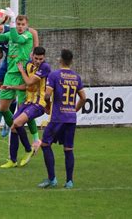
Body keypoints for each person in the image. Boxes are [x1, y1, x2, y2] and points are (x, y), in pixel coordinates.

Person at [0, 11, 41, 164]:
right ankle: (15, 127)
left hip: (22, 74)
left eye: (22, 24)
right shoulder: (11, 34)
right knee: (4, 108)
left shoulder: (27, 36)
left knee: (23, 110)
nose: (19, 26)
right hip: (10, 74)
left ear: (27, 26)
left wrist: (10, 23)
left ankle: (29, 142)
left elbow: (17, 38)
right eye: (17, 24)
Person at [38, 49, 86, 189]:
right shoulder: (76, 77)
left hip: (57, 117)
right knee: (68, 149)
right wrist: (74, 109)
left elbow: (47, 95)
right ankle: (69, 181)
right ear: (71, 61)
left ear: (60, 60)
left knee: (45, 144)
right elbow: (84, 97)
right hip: (70, 118)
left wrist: (47, 106)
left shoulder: (54, 75)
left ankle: (52, 179)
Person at [0, 47, 51, 168]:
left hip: (39, 104)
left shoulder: (45, 67)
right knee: (13, 127)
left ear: (44, 58)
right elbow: (27, 86)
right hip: (28, 102)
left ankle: (28, 149)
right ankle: (12, 160)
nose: (38, 61)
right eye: (36, 58)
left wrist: (21, 70)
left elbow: (29, 82)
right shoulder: (28, 65)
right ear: (32, 56)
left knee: (17, 123)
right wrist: (12, 87)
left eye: (41, 59)